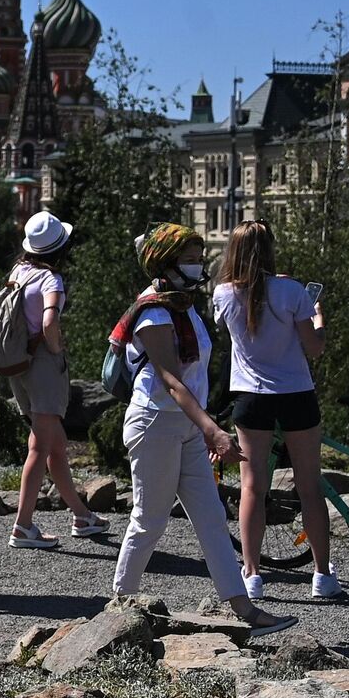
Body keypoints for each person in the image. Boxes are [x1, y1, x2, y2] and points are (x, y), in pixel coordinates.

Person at [113, 223, 297, 636]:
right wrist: (213, 430)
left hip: (186, 426)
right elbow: (172, 381)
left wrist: (204, 428)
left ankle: (242, 609)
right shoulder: (154, 312)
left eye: (198, 259)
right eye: (190, 260)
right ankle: (119, 607)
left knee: (212, 517)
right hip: (155, 423)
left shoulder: (182, 304)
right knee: (150, 518)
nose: (199, 267)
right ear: (166, 264)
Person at [213, 222, 337, 601]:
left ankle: (251, 574)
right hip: (296, 392)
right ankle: (322, 575)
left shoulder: (222, 293)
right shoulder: (292, 292)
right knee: (309, 487)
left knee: (253, 486)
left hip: (251, 397)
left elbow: (230, 324)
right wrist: (318, 317)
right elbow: (313, 347)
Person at [6, 211, 110, 548]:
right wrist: (57, 348)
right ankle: (23, 526)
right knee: (40, 445)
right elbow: (50, 320)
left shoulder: (19, 271)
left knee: (55, 444)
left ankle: (82, 515)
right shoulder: (52, 280)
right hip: (43, 366)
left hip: (17, 364)